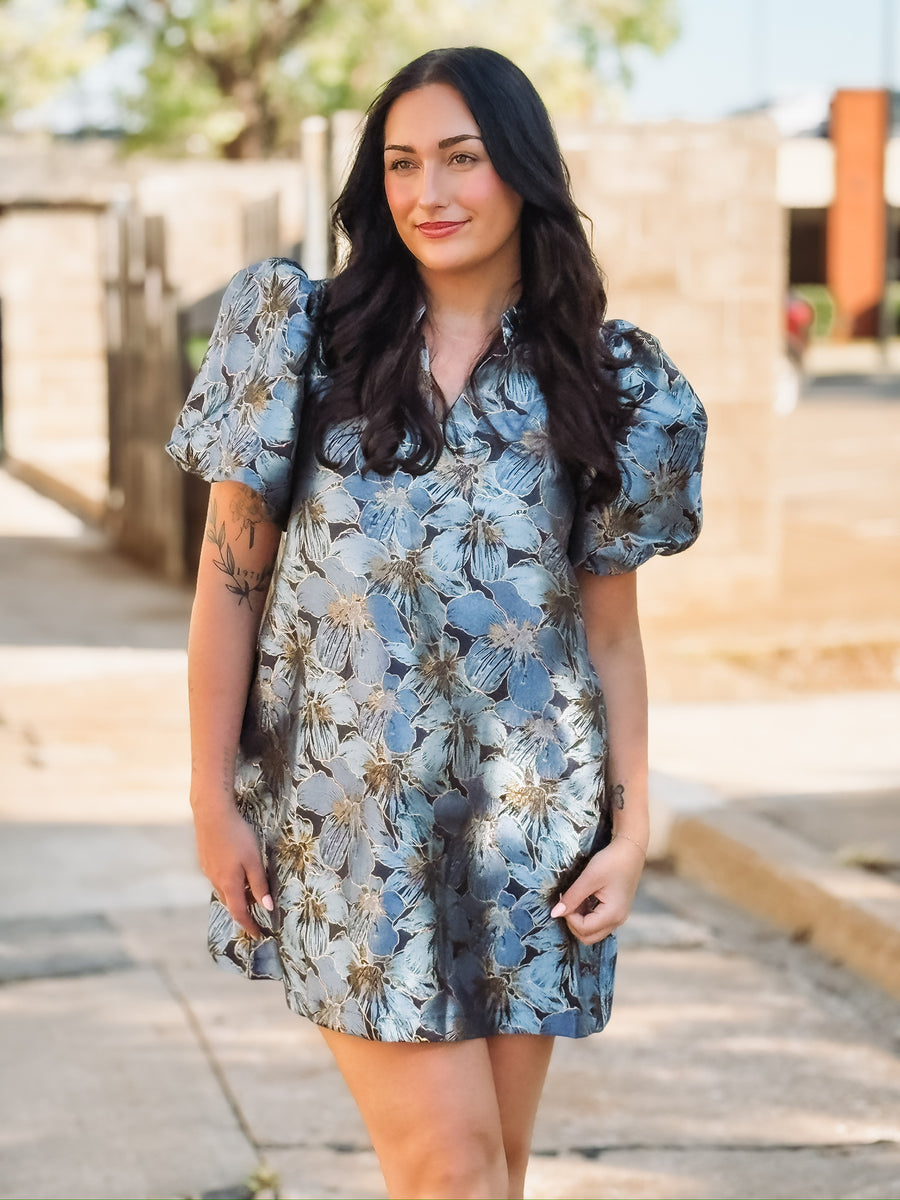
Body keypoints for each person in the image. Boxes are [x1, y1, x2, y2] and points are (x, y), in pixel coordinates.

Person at [166, 45, 706, 1200]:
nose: (430, 193)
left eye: (462, 159)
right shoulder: (302, 342)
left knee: (491, 1175)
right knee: (449, 1170)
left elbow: (609, 635)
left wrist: (631, 825)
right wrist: (213, 793)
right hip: (346, 825)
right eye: (403, 163)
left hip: (531, 840)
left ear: (522, 174)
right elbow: (230, 587)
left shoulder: (608, 384)